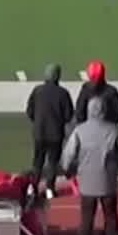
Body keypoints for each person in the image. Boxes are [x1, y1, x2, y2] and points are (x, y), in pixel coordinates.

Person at [60, 96, 118, 235]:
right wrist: (116, 167)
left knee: (86, 219)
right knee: (111, 218)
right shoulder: (113, 130)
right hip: (108, 181)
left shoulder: (80, 131)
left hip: (87, 181)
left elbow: (68, 155)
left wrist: (67, 169)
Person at [26, 64, 74, 198]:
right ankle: (49, 188)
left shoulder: (37, 91)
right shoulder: (63, 93)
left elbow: (29, 111)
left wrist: (37, 122)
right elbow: (68, 115)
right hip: (55, 133)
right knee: (52, 161)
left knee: (37, 161)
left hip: (39, 132)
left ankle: (33, 187)